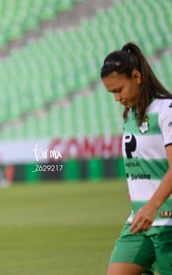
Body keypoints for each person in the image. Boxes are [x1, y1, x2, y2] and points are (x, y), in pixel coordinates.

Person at [101, 42, 172, 275]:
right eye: (111, 93)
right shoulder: (130, 115)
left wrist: (153, 206)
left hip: (166, 221)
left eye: (118, 90)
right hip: (139, 222)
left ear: (136, 77)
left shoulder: (166, 110)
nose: (116, 98)